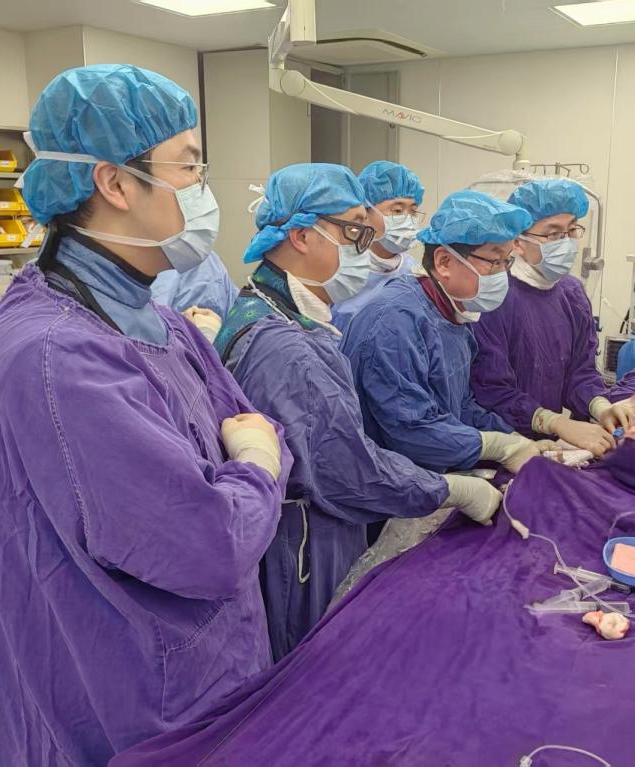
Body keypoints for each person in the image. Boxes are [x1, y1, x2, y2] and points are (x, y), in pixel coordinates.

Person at [0, 65, 291, 766]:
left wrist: (251, 453)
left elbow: (247, 419)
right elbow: (210, 541)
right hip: (126, 705)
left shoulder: (159, 321)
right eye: (188, 165)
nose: (201, 187)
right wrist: (255, 464)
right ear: (115, 183)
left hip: (201, 672)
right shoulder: (58, 355)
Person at [214, 164, 503, 661]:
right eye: (354, 231)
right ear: (302, 235)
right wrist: (448, 489)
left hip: (313, 532)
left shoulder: (276, 311)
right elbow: (347, 471)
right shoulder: (286, 348)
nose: (365, 248)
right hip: (304, 548)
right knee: (315, 671)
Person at [341, 190, 560, 474]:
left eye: (507, 262)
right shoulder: (394, 323)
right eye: (494, 262)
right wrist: (496, 447)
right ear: (444, 262)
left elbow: (460, 407)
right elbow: (411, 431)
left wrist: (514, 439)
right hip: (386, 485)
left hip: (428, 473)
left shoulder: (453, 315)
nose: (502, 274)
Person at [471, 178, 632, 456]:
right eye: (554, 234)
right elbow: (491, 390)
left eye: (571, 230)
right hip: (501, 446)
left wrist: (600, 406)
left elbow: (580, 372)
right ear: (518, 242)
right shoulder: (494, 298)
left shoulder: (572, 294)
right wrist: (555, 423)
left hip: (551, 446)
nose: (567, 243)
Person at [331, 160, 423, 333]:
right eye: (397, 211)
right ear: (366, 213)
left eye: (413, 211)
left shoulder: (415, 273)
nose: (407, 220)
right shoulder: (342, 270)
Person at [152, 249, 240, 341]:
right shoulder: (160, 261)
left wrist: (216, 330)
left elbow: (237, 319)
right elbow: (152, 327)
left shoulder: (211, 262)